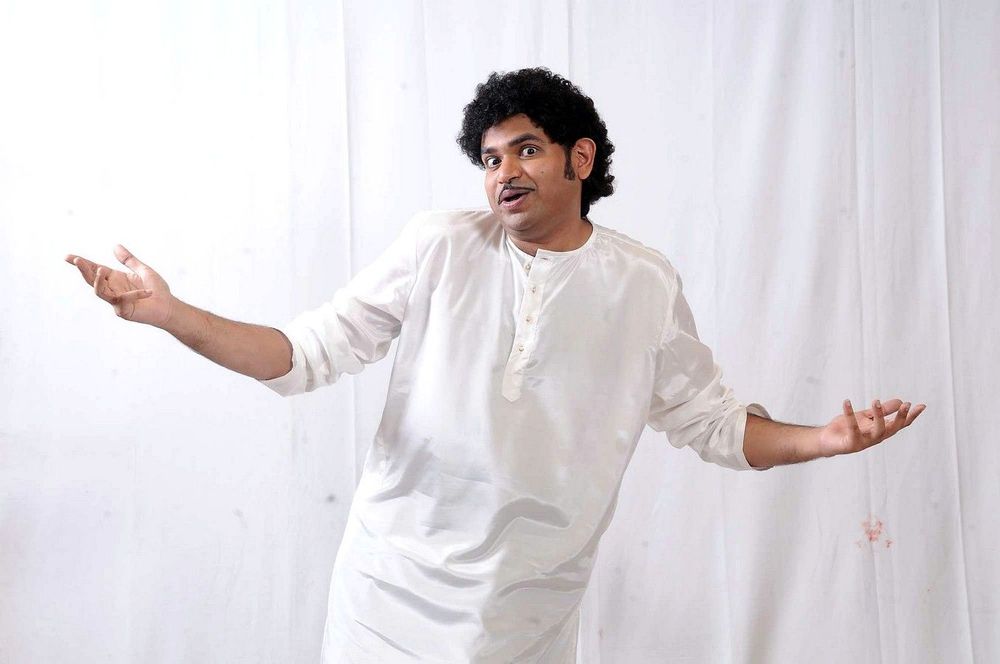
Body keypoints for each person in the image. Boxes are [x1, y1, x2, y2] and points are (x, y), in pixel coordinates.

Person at [66, 67, 925, 663]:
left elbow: (714, 424)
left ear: (580, 159)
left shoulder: (644, 282)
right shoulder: (439, 246)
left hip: (528, 616)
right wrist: (170, 314)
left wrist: (824, 439)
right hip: (388, 597)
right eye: (488, 159)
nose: (502, 174)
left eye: (524, 150)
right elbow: (302, 355)